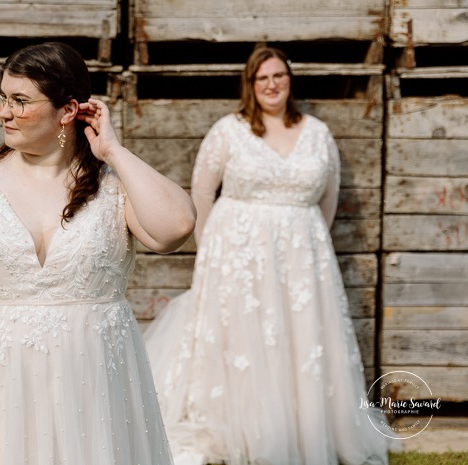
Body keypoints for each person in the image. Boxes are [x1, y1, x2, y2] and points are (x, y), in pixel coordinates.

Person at [0, 41, 196, 465]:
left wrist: (114, 150)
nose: (4, 111)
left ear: (68, 110)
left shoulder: (113, 185)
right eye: (2, 97)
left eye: (20, 101)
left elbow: (176, 228)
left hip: (91, 381)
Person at [143, 46, 392, 465]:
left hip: (302, 257)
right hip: (237, 256)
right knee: (244, 339)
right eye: (263, 78)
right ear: (251, 85)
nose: (272, 84)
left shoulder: (317, 132)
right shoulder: (228, 130)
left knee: (299, 341)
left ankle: (302, 430)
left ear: (289, 81)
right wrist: (211, 253)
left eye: (279, 76)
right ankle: (241, 430)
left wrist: (304, 240)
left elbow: (327, 200)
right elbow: (202, 193)